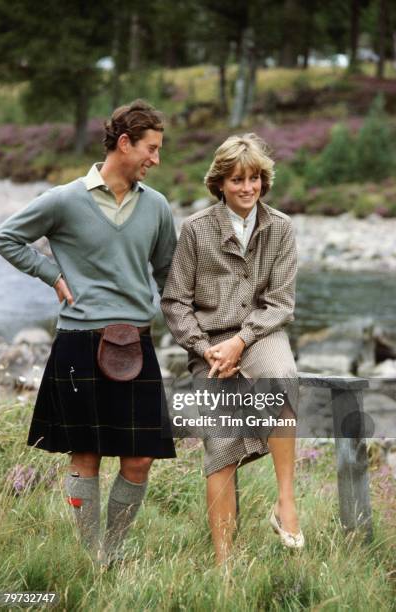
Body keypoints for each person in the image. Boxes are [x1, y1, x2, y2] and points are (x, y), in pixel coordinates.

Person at [0, 99, 177, 565]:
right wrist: (52, 275)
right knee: (86, 456)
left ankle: (111, 551)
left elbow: (167, 273)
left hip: (135, 340)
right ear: (124, 143)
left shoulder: (156, 207)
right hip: (79, 341)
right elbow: (6, 237)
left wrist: (190, 330)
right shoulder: (65, 199)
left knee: (139, 458)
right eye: (151, 149)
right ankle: (90, 555)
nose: (156, 159)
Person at [161, 133, 303, 565]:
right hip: (210, 348)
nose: (248, 188)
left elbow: (281, 303)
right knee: (220, 446)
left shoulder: (279, 228)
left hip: (260, 333)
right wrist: (206, 350)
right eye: (238, 179)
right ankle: (225, 564)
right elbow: (175, 302)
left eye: (255, 178)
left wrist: (242, 341)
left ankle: (285, 503)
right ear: (219, 183)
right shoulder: (196, 230)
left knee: (283, 378)